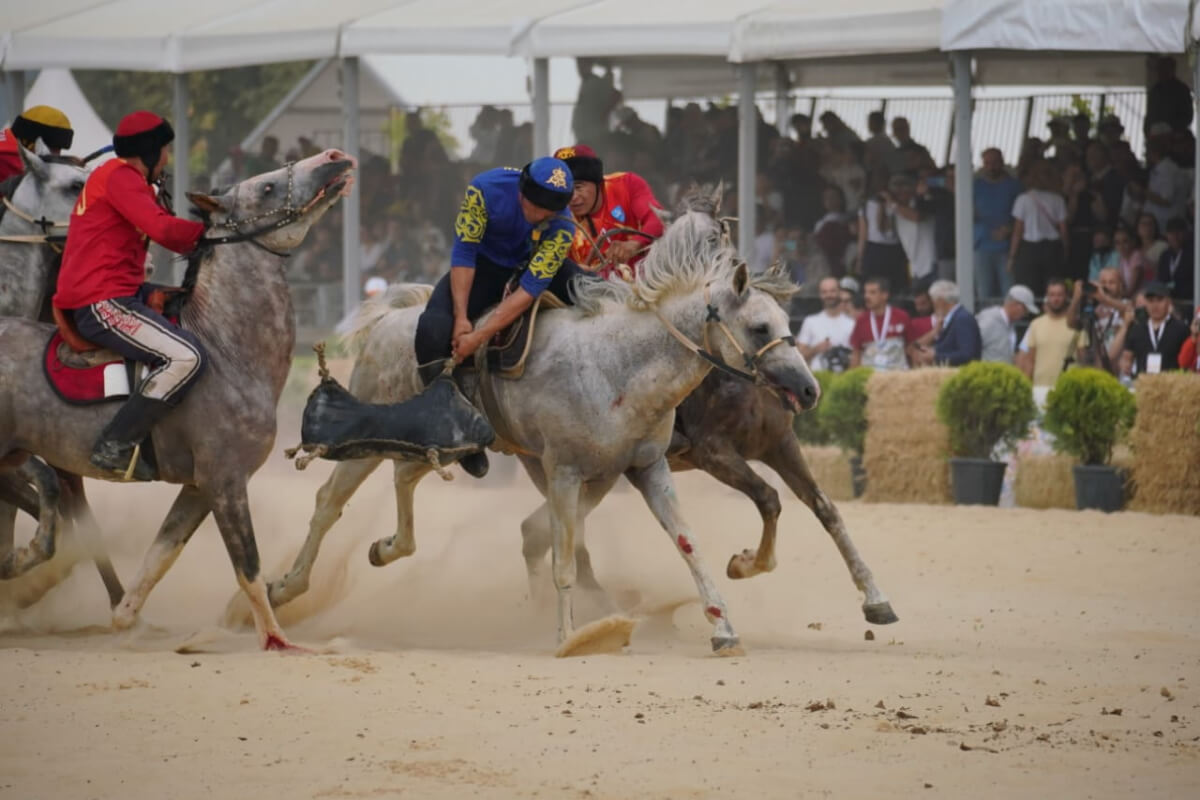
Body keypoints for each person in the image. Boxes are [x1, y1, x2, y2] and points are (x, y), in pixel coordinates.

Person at [52, 111, 207, 480]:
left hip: (118, 291)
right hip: (102, 300)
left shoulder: (119, 176)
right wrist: (211, 230)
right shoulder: (121, 177)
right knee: (188, 357)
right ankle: (114, 444)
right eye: (165, 150)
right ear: (150, 151)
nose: (167, 158)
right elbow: (163, 229)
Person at [413, 157, 579, 478]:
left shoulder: (562, 224)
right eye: (536, 207)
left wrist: (478, 336)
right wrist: (462, 318)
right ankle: (456, 430)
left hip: (527, 271)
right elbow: (464, 251)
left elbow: (529, 290)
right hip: (482, 266)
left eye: (550, 212)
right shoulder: (484, 189)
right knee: (431, 333)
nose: (541, 216)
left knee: (591, 292)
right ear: (521, 194)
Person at [552, 144, 664, 279]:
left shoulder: (627, 184)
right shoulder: (558, 217)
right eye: (566, 190)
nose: (573, 197)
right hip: (597, 293)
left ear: (598, 183)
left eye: (579, 187)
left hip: (650, 283)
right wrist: (576, 271)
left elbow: (658, 219)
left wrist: (634, 244)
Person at [1008, 160, 1068, 297]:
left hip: (1029, 249)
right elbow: (1063, 230)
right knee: (1052, 287)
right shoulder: (1058, 199)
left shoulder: (1023, 199)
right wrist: (1065, 250)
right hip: (1052, 248)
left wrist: (1012, 256)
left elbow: (1018, 231)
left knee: (1028, 288)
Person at [973, 147, 1022, 301]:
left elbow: (1022, 216)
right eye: (987, 163)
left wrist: (1009, 229)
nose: (991, 167)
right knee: (984, 292)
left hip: (1007, 248)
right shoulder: (975, 186)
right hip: (981, 246)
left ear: (1002, 162)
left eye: (995, 162)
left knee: (1008, 292)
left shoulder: (1014, 186)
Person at [1016, 279, 1083, 387]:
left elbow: (1083, 359)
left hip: (1068, 387)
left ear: (1066, 297)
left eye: (1059, 295)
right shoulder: (1035, 324)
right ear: (1047, 297)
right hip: (1040, 388)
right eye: (1052, 295)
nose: (1055, 299)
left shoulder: (1077, 325)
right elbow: (1030, 360)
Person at [1119, 281, 1190, 379]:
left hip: (1172, 384)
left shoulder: (1181, 329)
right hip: (1143, 383)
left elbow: (1188, 358)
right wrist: (1126, 364)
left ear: (1168, 302)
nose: (1155, 305)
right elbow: (1127, 356)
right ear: (1146, 303)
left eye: (1159, 300)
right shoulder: (1137, 329)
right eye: (1151, 301)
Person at [849, 276, 914, 371]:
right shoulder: (861, 321)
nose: (867, 296)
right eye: (866, 292)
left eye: (872, 292)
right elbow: (856, 353)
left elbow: (911, 347)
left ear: (885, 295)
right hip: (871, 378)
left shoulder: (901, 317)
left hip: (898, 376)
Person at [0, 105, 75, 182]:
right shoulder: (7, 159)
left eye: (59, 149)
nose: (57, 155)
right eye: (52, 148)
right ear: (29, 142)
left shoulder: (7, 140)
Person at [797, 277, 855, 372]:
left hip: (844, 379)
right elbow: (799, 356)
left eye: (832, 291)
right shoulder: (810, 321)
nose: (829, 295)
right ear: (820, 294)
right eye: (824, 292)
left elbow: (858, 357)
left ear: (840, 292)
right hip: (817, 379)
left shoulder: (852, 324)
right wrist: (816, 349)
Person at [976, 284, 1039, 363]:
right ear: (1017, 305)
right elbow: (972, 348)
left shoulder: (1009, 325)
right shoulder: (989, 322)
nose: (1025, 315)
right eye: (1026, 311)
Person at [928, 280, 982, 366]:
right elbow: (950, 347)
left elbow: (967, 354)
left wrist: (936, 356)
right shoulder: (954, 318)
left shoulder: (963, 319)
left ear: (940, 301)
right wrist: (933, 351)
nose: (933, 305)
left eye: (933, 301)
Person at [1145, 57, 1193, 136]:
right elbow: (1150, 114)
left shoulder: (1181, 90)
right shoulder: (1155, 90)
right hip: (1155, 137)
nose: (1161, 72)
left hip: (1176, 136)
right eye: (1159, 69)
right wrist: (1147, 130)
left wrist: (1171, 127)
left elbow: (1187, 116)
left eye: (1164, 69)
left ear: (1172, 69)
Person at [1157, 217, 1194, 302]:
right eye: (1171, 232)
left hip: (1189, 300)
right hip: (1168, 299)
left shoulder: (1193, 254)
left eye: (1179, 232)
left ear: (1186, 233)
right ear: (1166, 234)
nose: (1175, 236)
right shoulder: (1165, 255)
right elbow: (1162, 279)